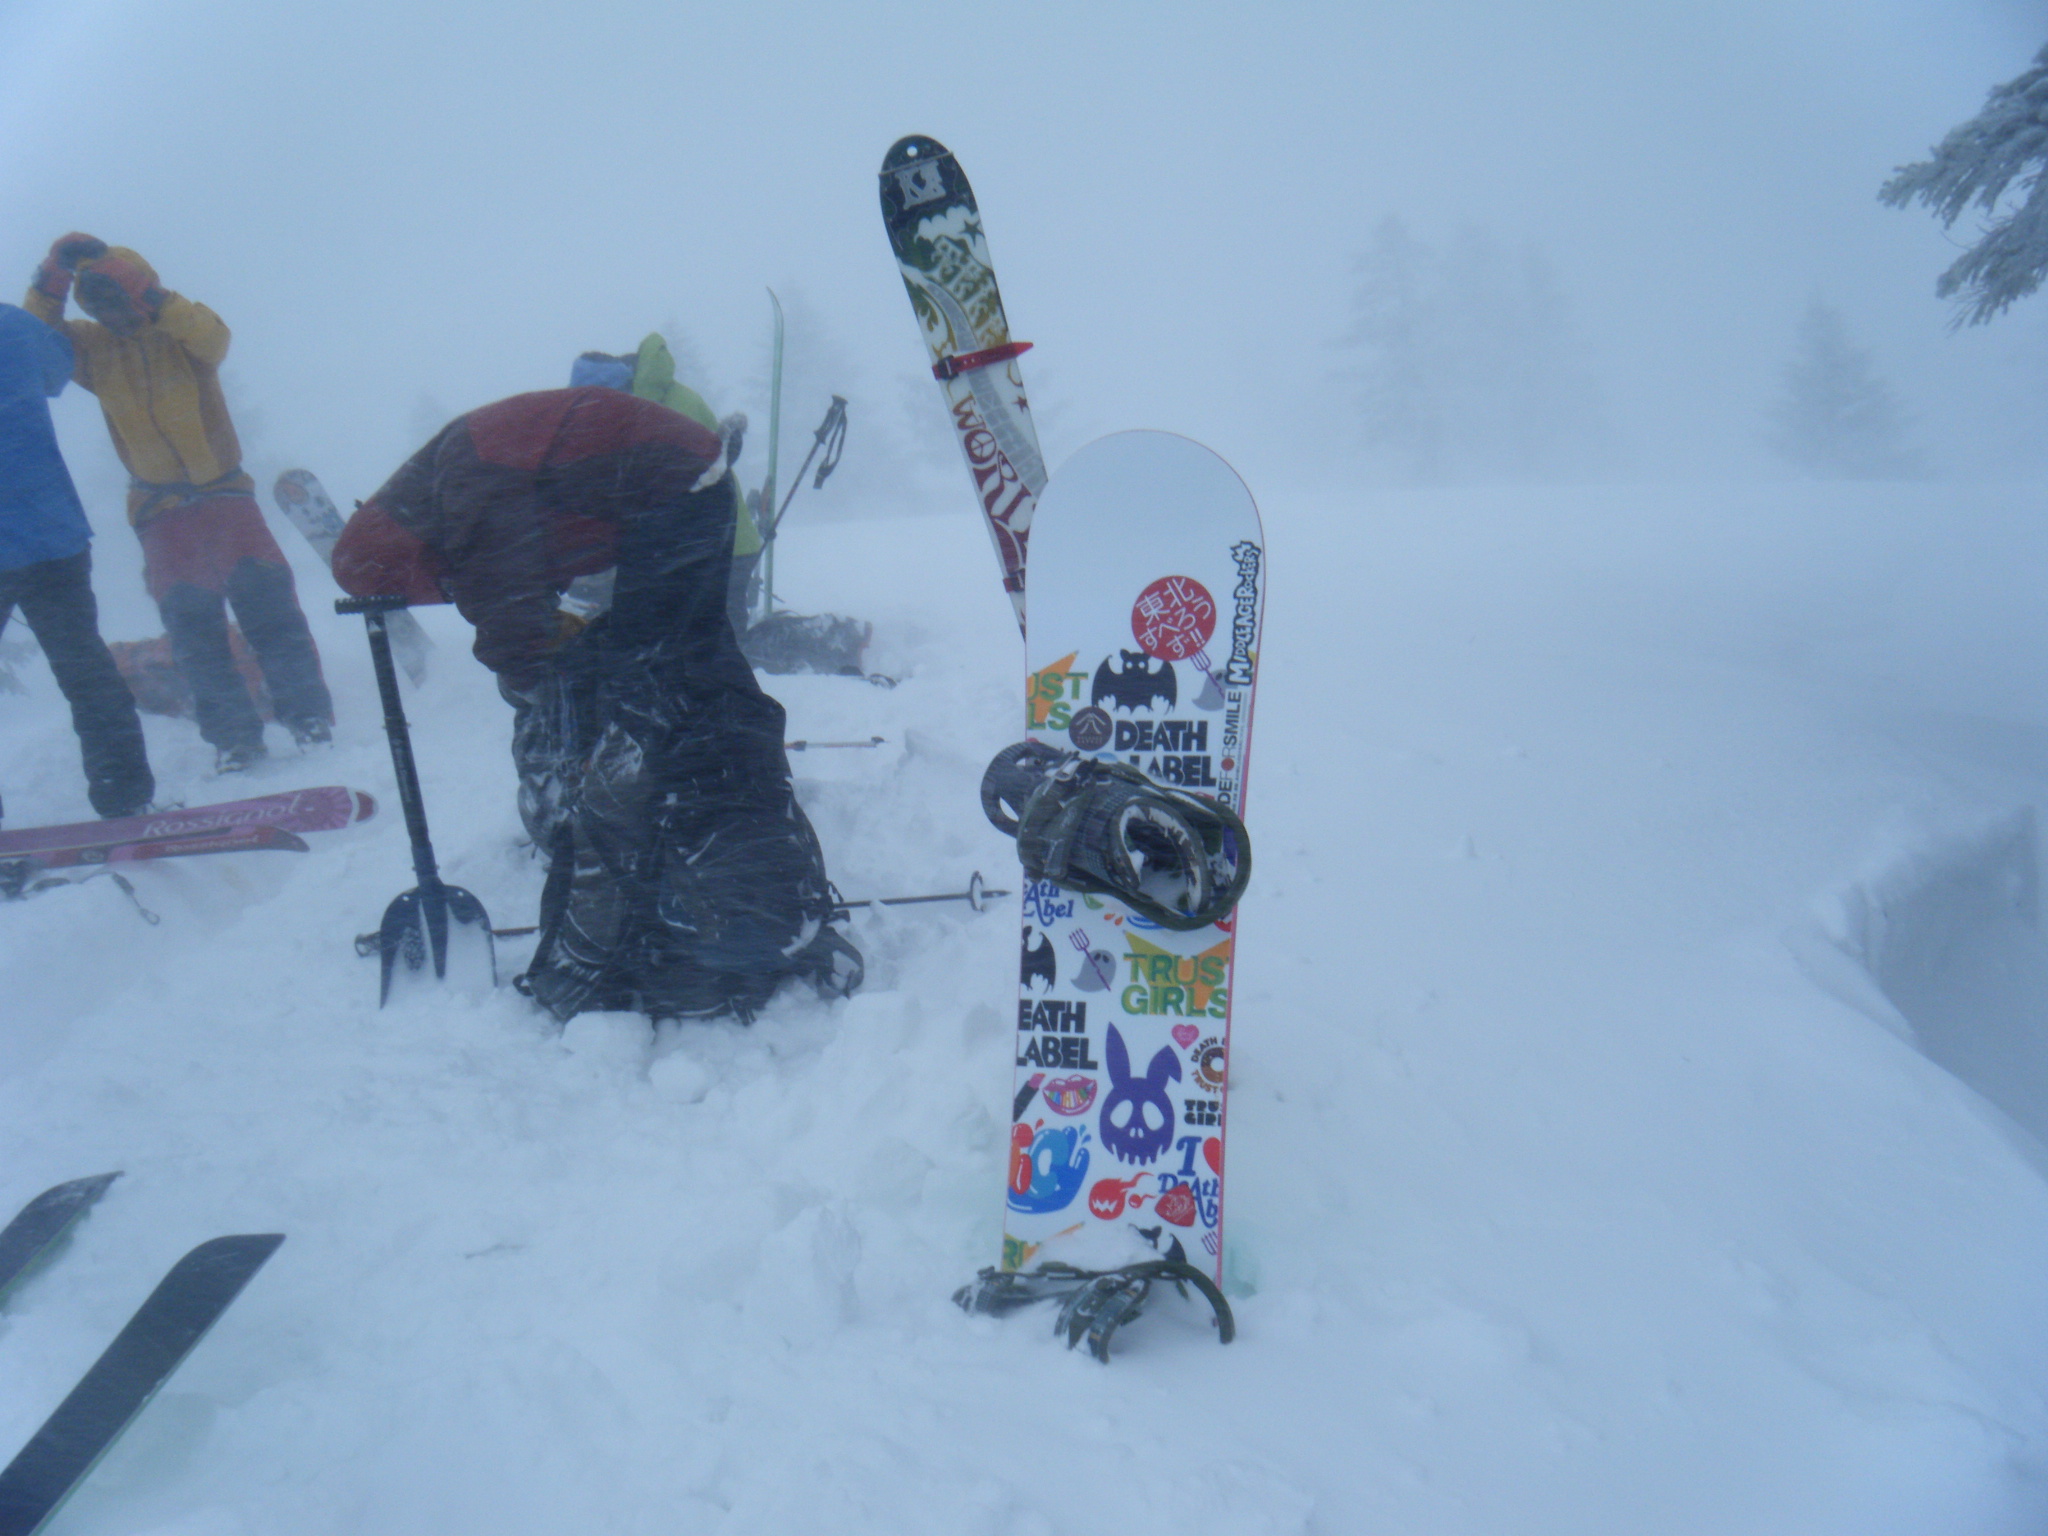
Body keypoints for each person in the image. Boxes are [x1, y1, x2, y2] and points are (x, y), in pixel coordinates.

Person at [330, 384, 861, 1023]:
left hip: (673, 497)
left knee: (656, 697)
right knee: (690, 681)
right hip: (687, 489)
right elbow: (533, 570)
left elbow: (511, 618)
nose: (435, 592)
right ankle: (728, 865)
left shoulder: (466, 490)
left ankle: (693, 876)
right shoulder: (457, 478)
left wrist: (545, 700)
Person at [25, 234, 331, 771]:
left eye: (118, 303)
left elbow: (214, 337)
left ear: (136, 294)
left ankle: (310, 721)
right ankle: (235, 741)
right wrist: (50, 284)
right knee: (194, 634)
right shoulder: (94, 350)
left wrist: (151, 295)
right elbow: (35, 339)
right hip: (160, 511)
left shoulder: (181, 334)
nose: (111, 317)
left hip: (225, 496)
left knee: (270, 614)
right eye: (98, 308)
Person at [0, 301, 154, 821]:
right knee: (86, 673)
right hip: (49, 532)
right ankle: (124, 797)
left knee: (87, 672)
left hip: (38, 535)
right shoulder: (12, 326)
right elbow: (58, 370)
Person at [570, 334, 761, 633]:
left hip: (720, 545)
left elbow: (688, 485)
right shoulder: (654, 403)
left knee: (715, 638)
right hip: (707, 545)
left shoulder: (667, 412)